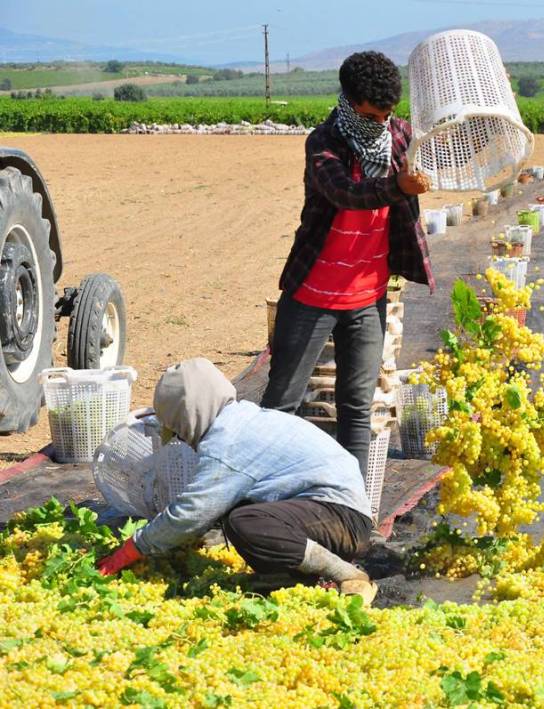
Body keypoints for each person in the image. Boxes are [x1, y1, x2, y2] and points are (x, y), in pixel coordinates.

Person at [261, 51, 433, 479]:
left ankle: (351, 510)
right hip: (313, 294)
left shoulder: (400, 137)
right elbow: (347, 194)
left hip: (366, 298)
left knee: (356, 409)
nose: (383, 123)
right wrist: (398, 185)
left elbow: (439, 155)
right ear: (352, 103)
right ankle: (255, 500)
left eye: (389, 114)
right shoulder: (323, 143)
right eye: (374, 115)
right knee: (282, 402)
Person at [96, 359, 379, 603]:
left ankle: (348, 575)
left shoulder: (228, 442)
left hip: (342, 519)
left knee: (246, 522)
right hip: (327, 512)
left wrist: (134, 548)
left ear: (188, 417)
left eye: (179, 433)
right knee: (238, 511)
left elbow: (192, 511)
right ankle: (287, 578)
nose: (184, 440)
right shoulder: (238, 419)